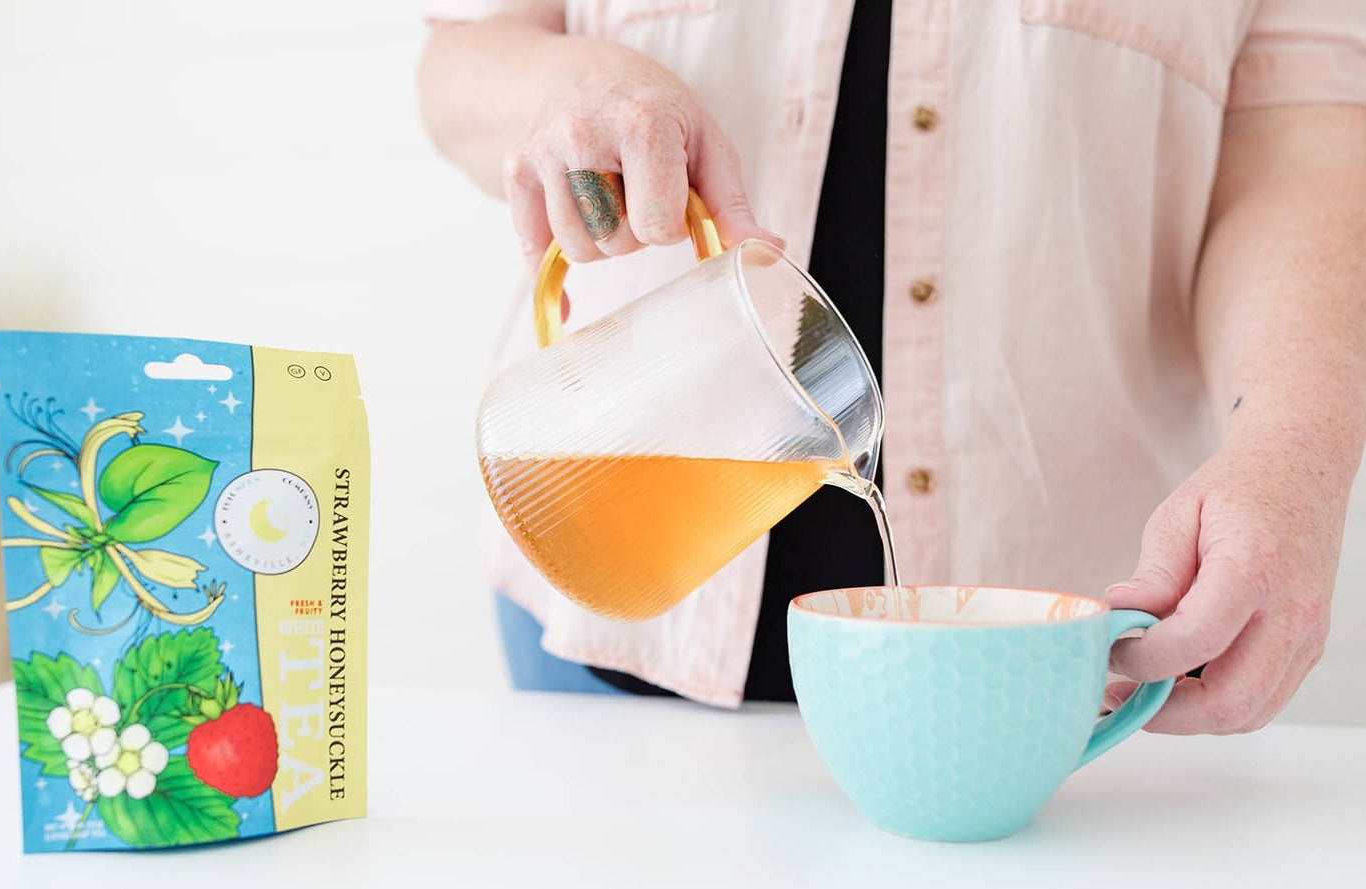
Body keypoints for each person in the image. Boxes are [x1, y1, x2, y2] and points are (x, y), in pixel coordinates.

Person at [420, 1, 1366, 733]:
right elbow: (462, 54)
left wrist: (1293, 444)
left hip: (1062, 629)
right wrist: (573, 87)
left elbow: (1302, 141)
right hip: (611, 595)